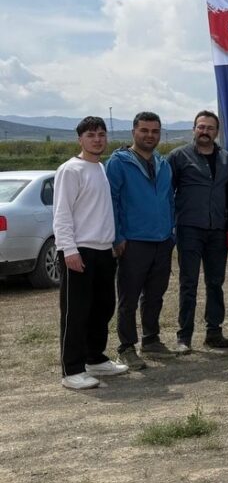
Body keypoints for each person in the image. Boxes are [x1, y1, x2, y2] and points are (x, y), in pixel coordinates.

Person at [55, 116, 129, 390]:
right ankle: (72, 370)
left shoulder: (100, 168)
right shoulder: (70, 170)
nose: (97, 139)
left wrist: (112, 242)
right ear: (80, 139)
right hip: (80, 250)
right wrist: (69, 250)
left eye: (101, 134)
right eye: (91, 135)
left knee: (103, 307)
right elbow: (62, 213)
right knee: (76, 312)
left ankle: (94, 358)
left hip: (103, 250)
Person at [105, 111, 174, 370]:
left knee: (155, 294)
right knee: (129, 297)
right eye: (144, 130)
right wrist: (117, 236)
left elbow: (169, 200)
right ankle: (126, 347)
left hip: (162, 240)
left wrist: (171, 231)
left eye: (155, 131)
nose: (149, 135)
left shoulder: (163, 163)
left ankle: (151, 340)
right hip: (133, 241)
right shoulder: (118, 163)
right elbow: (111, 201)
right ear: (133, 131)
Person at [167, 110, 228, 351]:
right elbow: (166, 193)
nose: (205, 131)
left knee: (215, 282)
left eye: (210, 128)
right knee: (189, 283)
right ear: (194, 129)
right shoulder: (178, 156)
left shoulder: (226, 158)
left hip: (217, 229)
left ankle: (214, 333)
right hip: (189, 228)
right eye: (201, 127)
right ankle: (184, 337)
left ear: (217, 132)